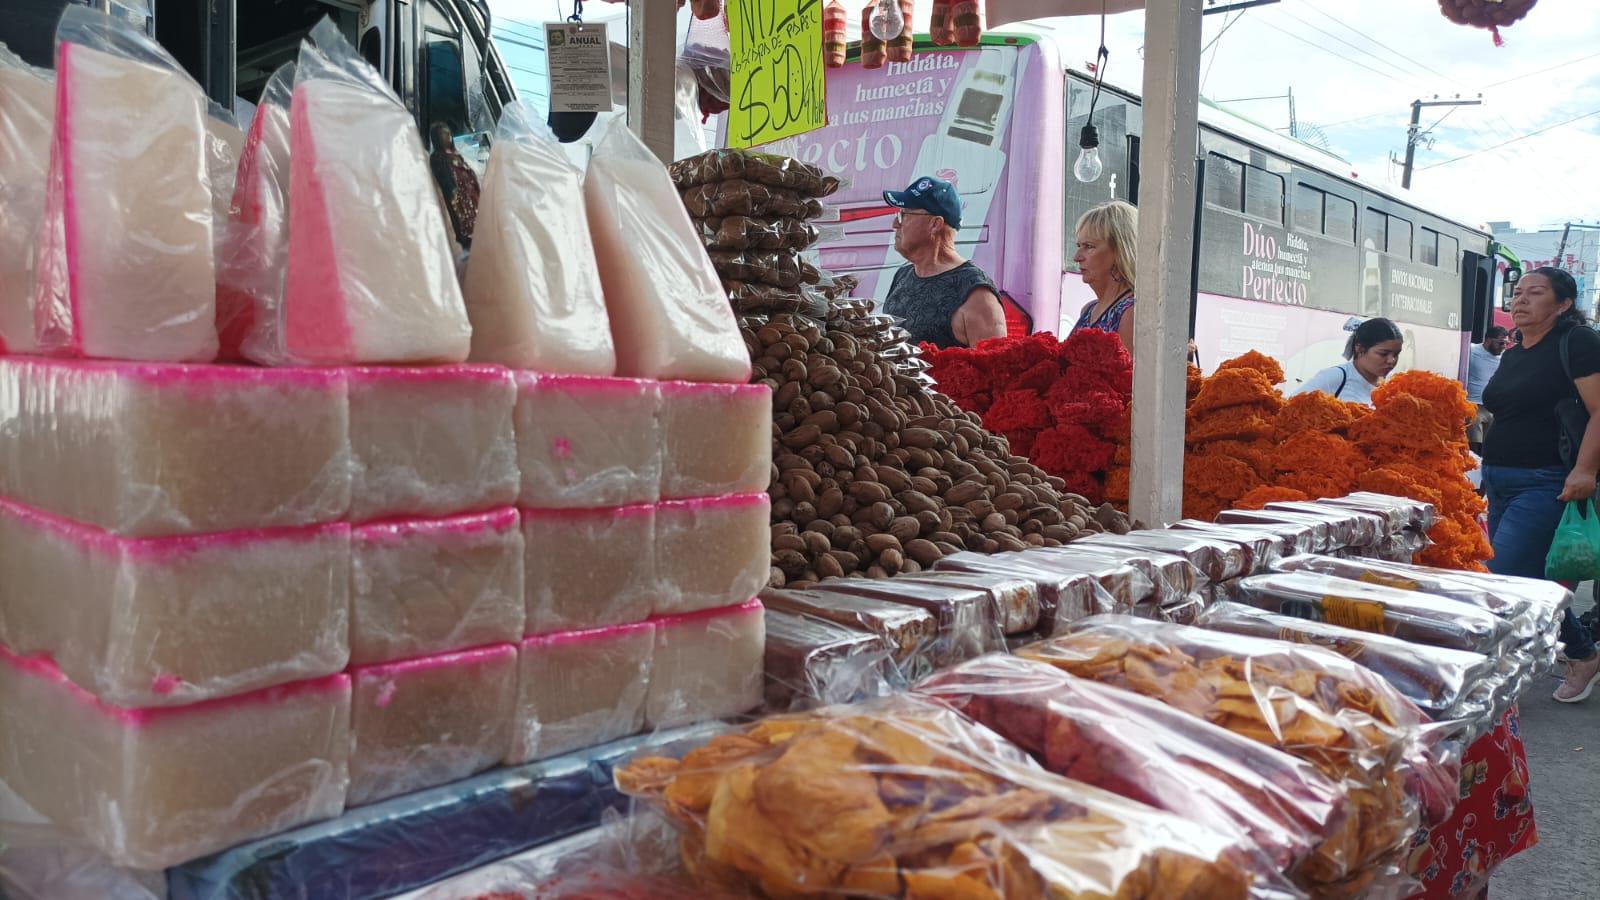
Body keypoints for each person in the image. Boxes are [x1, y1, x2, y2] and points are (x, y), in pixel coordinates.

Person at [1480, 266, 1600, 703]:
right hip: (1498, 478)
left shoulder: (1578, 342)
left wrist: (1584, 470)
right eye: (1517, 292)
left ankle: (1488, 675)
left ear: (1564, 304)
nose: (1521, 299)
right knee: (1529, 579)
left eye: (1536, 292)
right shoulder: (1515, 350)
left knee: (1499, 578)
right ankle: (1582, 653)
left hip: (1546, 479)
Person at [881, 175, 1006, 349]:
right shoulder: (903, 275)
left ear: (935, 224)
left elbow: (995, 369)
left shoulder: (976, 294)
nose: (895, 224)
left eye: (903, 215)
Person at [1069, 200, 1139, 357]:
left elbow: (1128, 380)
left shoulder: (1131, 314)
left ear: (1120, 251)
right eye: (1078, 246)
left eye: (1089, 246)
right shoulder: (1088, 310)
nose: (1077, 257)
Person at [1290, 317, 1404, 405]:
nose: (1391, 360)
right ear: (1359, 348)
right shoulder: (1335, 377)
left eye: (1396, 354)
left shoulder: (1394, 384)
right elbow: (1290, 407)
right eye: (1383, 354)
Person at [429, 122, 480, 248]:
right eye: (442, 134)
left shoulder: (456, 155)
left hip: (470, 194)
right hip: (458, 197)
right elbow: (448, 185)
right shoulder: (438, 158)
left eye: (448, 134)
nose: (447, 137)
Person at [1466, 326, 1509, 453]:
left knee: (1490, 447)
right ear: (1489, 340)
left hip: (1494, 407)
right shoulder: (1471, 350)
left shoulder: (1505, 357)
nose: (1503, 346)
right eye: (1501, 343)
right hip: (1474, 405)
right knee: (1475, 447)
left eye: (1506, 343)